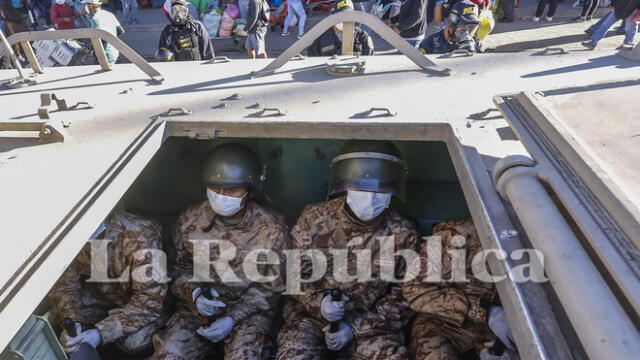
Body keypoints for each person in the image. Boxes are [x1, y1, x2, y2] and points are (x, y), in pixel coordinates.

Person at [276, 140, 418, 360]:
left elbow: (404, 295)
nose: (369, 197)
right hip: (310, 318)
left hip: (371, 323)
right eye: (360, 187)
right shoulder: (315, 219)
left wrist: (354, 328)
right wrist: (319, 303)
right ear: (346, 185)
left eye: (379, 189)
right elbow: (293, 273)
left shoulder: (403, 233)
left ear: (392, 190)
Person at [150, 143, 289, 360]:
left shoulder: (271, 228)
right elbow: (177, 269)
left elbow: (272, 287)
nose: (221, 196)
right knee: (168, 354)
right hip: (196, 310)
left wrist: (233, 318)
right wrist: (194, 294)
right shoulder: (189, 221)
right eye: (215, 189)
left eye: (232, 190)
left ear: (250, 191)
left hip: (249, 313)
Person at [49, 205, 168, 356]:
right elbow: (65, 285)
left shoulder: (140, 234)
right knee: (55, 316)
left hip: (151, 304)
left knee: (133, 342)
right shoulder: (66, 233)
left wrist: (100, 333)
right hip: (109, 297)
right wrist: (72, 323)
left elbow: (150, 301)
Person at [403, 219, 520, 360]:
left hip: (505, 336)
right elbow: (414, 290)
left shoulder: (549, 256)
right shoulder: (458, 239)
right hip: (447, 324)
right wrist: (486, 311)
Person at [307, 0, 374, 56]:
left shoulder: (362, 37)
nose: (345, 20)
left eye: (349, 16)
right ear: (331, 16)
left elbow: (369, 61)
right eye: (341, 16)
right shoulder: (319, 38)